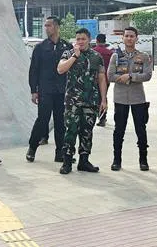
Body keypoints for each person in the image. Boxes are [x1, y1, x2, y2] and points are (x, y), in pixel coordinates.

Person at [57, 28, 107, 174]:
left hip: (91, 100)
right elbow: (60, 69)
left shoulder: (96, 56)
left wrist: (103, 99)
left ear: (89, 40)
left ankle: (84, 161)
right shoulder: (68, 53)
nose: (80, 42)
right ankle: (67, 161)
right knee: (70, 130)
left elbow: (102, 78)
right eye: (78, 39)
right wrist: (74, 56)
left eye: (83, 39)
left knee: (87, 131)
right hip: (72, 101)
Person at [108, 26, 155, 172]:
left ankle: (143, 160)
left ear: (136, 38)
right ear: (122, 38)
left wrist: (130, 76)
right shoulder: (116, 56)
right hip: (120, 98)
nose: (129, 38)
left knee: (141, 130)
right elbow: (110, 76)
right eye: (126, 36)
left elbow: (147, 75)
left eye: (132, 36)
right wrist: (120, 78)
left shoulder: (143, 56)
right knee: (119, 130)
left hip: (138, 99)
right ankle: (117, 160)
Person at [26, 16, 72, 163]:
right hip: (45, 90)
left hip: (62, 91)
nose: (46, 28)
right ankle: (32, 148)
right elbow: (33, 70)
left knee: (61, 122)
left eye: (49, 25)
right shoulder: (40, 48)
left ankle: (60, 153)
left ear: (57, 27)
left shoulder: (66, 47)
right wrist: (34, 90)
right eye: (45, 26)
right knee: (42, 120)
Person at [93, 35, 114, 127]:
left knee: (94, 98)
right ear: (105, 41)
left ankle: (93, 116)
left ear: (97, 40)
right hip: (106, 79)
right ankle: (102, 117)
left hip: (93, 79)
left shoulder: (93, 51)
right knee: (103, 97)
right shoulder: (110, 53)